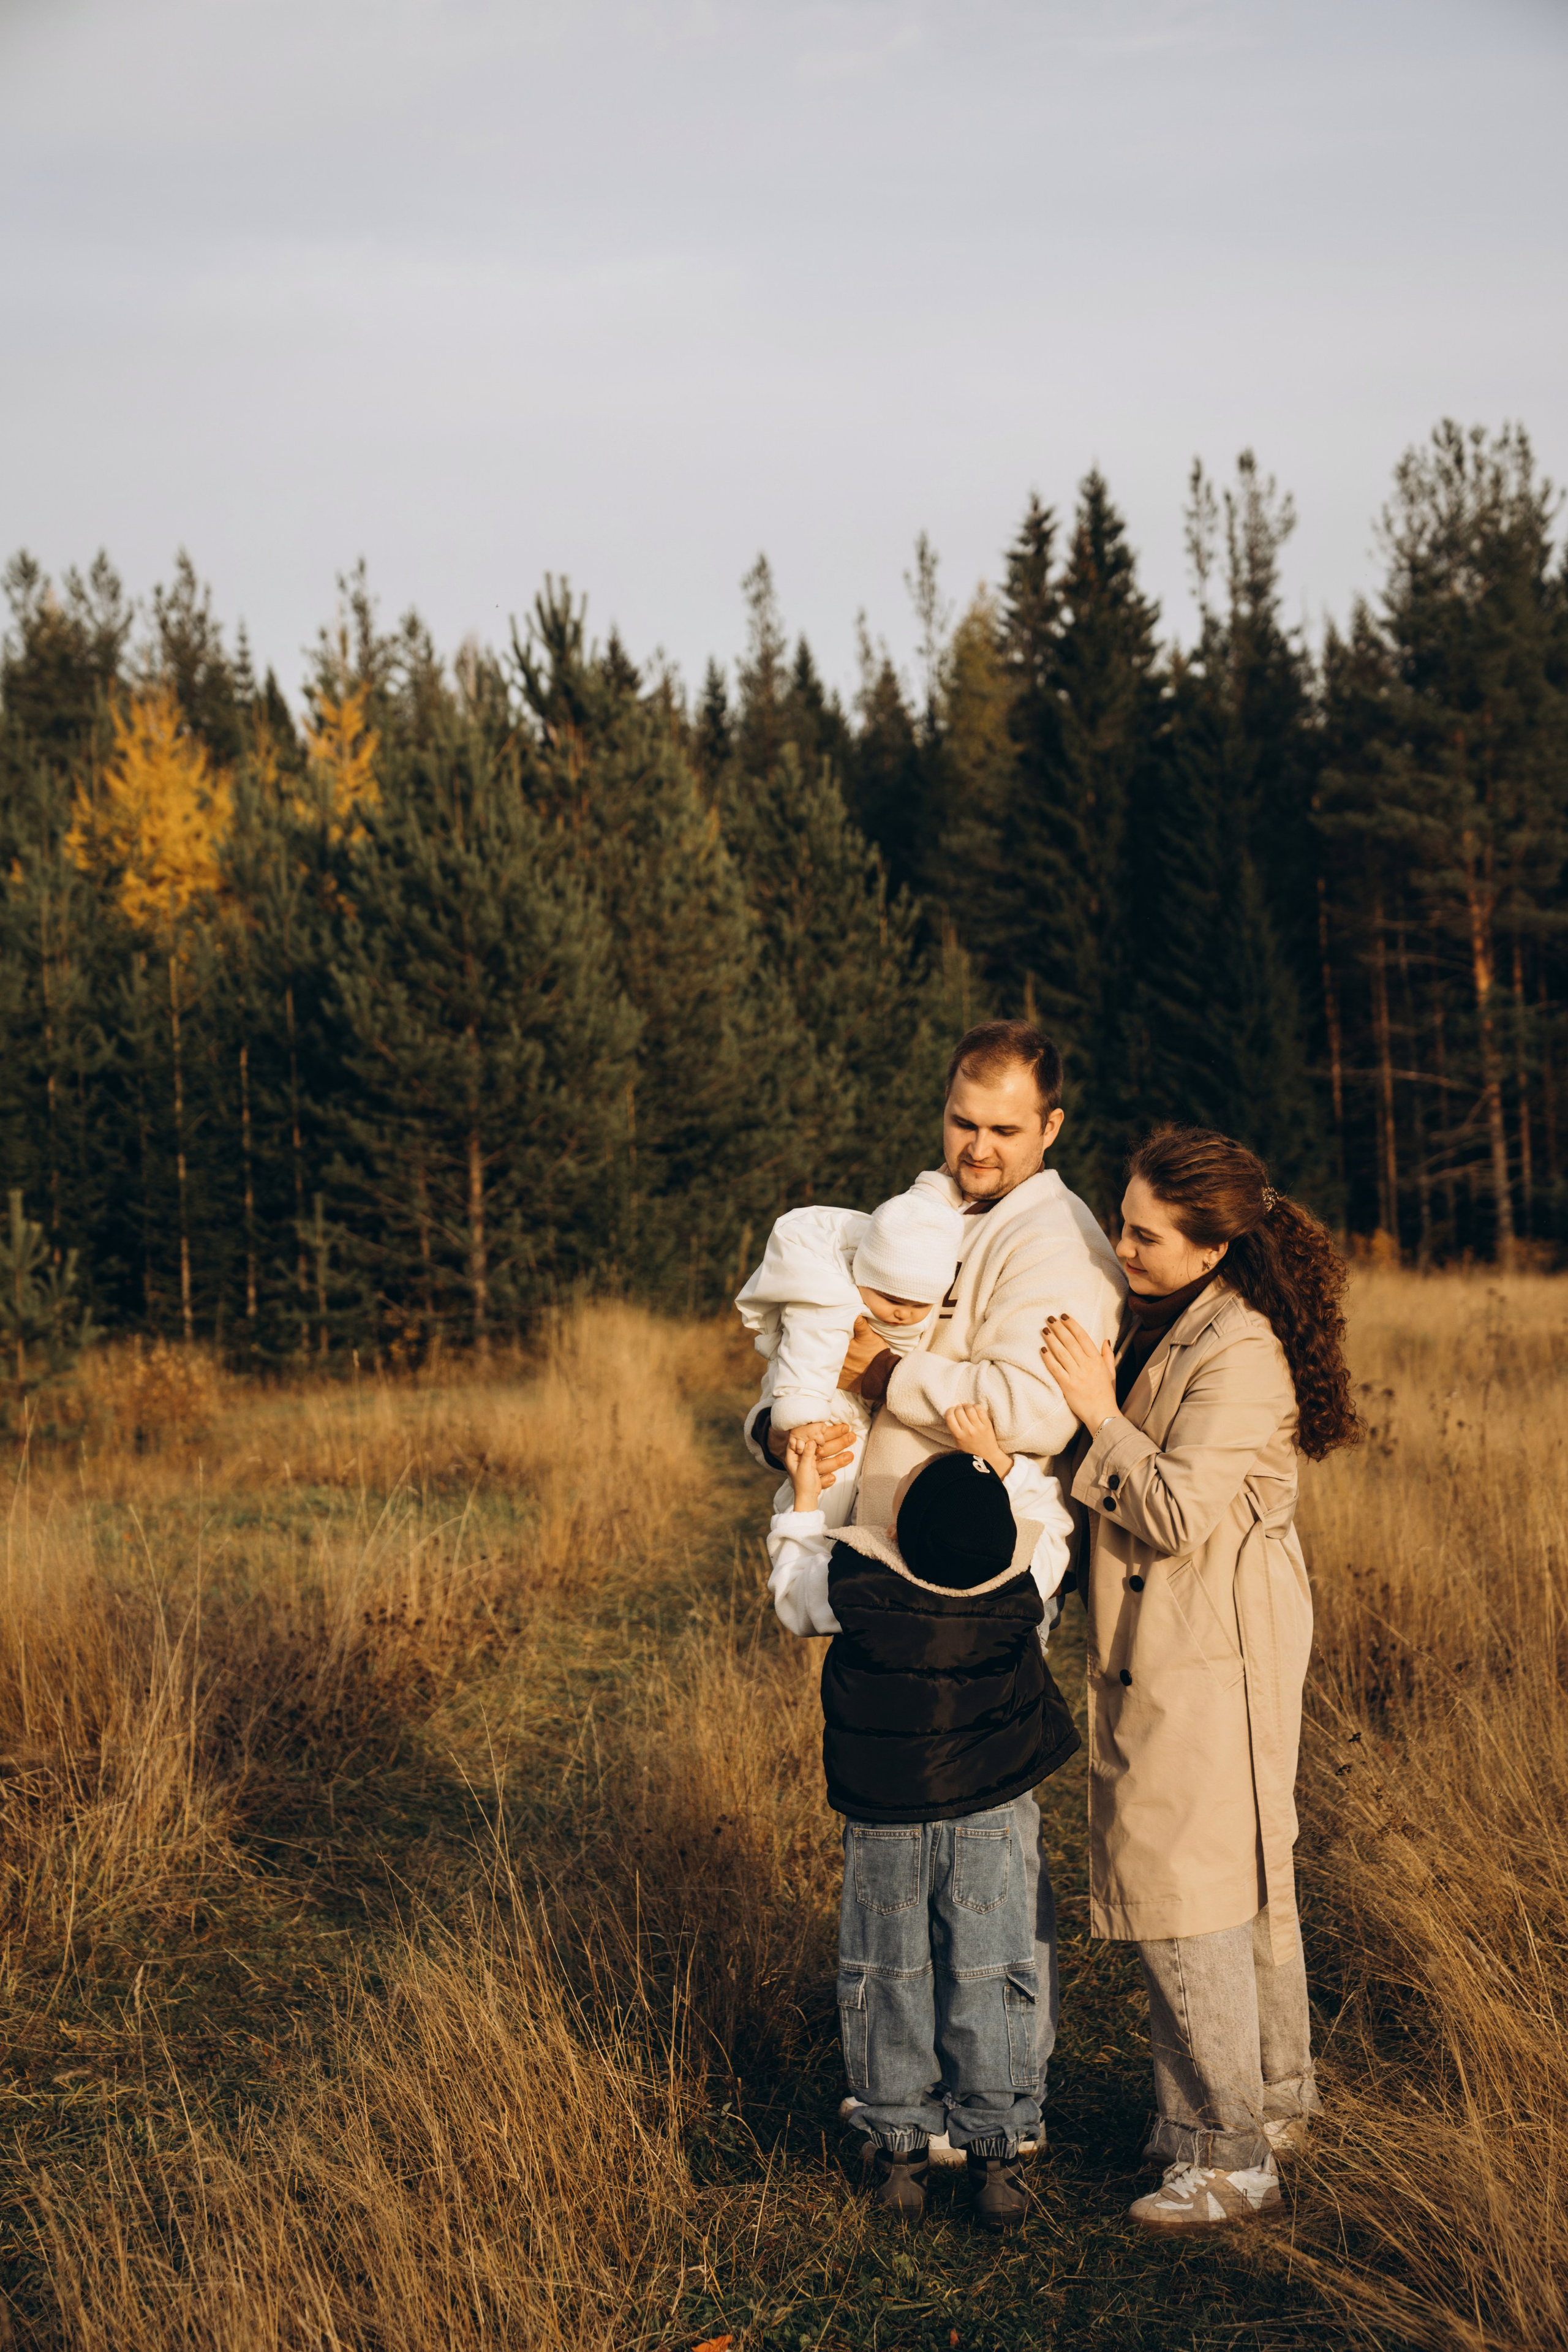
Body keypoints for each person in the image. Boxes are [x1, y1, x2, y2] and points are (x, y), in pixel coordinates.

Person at [747, 1020, 1125, 2136]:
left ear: (1052, 1128)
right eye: (964, 1122)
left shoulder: (1058, 1244)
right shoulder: (922, 1216)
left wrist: (891, 1375)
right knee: (900, 1852)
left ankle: (996, 2099)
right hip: (878, 1579)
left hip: (978, 1582)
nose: (979, 1147)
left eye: (1006, 1129)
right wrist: (782, 1429)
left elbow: (1032, 1410)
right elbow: (815, 1350)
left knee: (984, 1853)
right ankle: (914, 2094)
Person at [1041, 1126, 1361, 2234]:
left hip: (1212, 1645)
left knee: (1188, 1886)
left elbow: (1174, 1509)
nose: (1123, 1246)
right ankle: (1265, 2107)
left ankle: (1228, 2160)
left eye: (1147, 1235)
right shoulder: (1173, 1317)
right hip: (1193, 1635)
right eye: (1122, 1222)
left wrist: (1096, 1409)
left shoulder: (1242, 1350)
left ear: (1213, 1247)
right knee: (1233, 1871)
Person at [766, 1401, 1080, 2231]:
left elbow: (794, 1593)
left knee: (886, 1970)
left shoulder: (859, 1590)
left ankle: (899, 2148)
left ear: (898, 1535)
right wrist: (999, 1461)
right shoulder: (1024, 1586)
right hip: (989, 1812)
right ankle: (997, 2153)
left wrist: (806, 1496)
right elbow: (1051, 1526)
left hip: (886, 1816)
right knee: (990, 1967)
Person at [736, 1182, 964, 1528]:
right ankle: (802, 1542)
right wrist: (803, 1414)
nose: (903, 1313)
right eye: (891, 1299)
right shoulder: (834, 1299)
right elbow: (809, 1349)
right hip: (823, 1400)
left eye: (919, 1306)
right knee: (822, 1491)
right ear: (864, 1276)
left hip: (862, 1412)